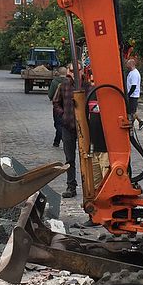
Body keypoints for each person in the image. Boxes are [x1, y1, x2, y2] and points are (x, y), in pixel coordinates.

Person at [54, 63, 82, 198]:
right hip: (67, 126)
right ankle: (71, 186)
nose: (73, 73)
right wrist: (63, 114)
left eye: (77, 70)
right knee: (69, 158)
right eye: (71, 70)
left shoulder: (86, 86)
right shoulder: (63, 85)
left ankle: (91, 187)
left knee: (87, 158)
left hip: (84, 129)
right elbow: (56, 102)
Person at [48, 67, 67, 147]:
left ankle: (61, 140)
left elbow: (50, 95)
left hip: (57, 106)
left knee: (58, 124)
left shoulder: (55, 81)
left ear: (58, 73)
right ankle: (57, 141)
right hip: (68, 106)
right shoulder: (70, 81)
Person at [125, 59, 143, 130]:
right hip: (132, 95)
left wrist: (128, 94)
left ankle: (131, 125)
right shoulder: (131, 73)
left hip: (133, 95)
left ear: (131, 64)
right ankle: (140, 121)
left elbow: (134, 86)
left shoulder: (134, 74)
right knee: (132, 110)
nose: (126, 65)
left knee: (132, 112)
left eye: (127, 64)